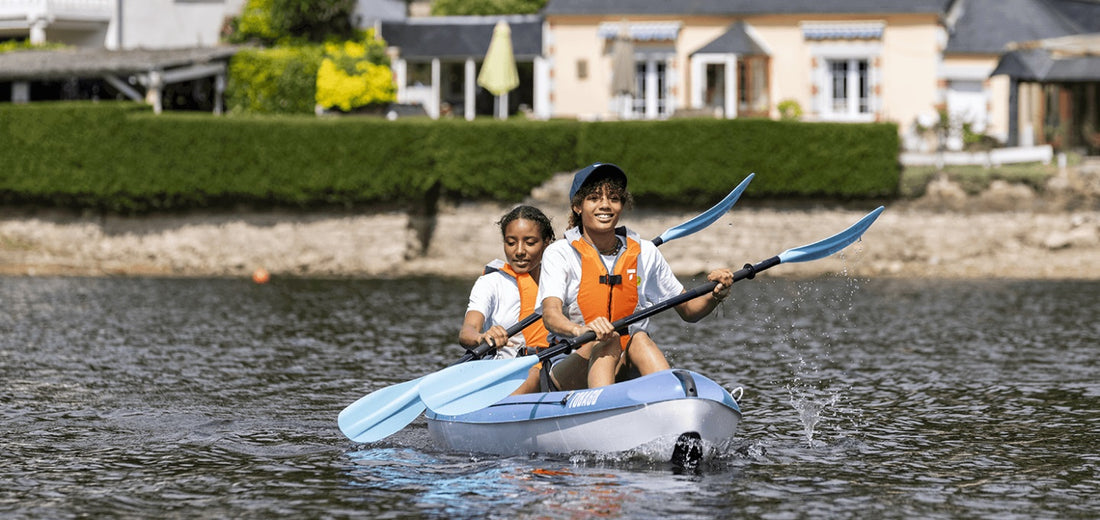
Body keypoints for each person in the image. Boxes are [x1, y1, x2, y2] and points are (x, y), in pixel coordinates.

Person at [537, 163, 734, 390]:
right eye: (593, 198)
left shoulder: (645, 252)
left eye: (613, 198)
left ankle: (672, 399)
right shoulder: (560, 253)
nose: (605, 205)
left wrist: (715, 293)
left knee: (638, 337)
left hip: (624, 361)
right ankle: (603, 409)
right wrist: (581, 331)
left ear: (622, 205)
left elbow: (689, 311)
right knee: (607, 340)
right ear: (577, 207)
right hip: (571, 365)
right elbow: (550, 315)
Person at [459, 205, 556, 394]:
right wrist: (481, 337)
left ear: (546, 243)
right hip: (510, 371)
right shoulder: (491, 283)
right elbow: (467, 331)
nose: (519, 251)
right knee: (532, 373)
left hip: (556, 366)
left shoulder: (561, 280)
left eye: (530, 243)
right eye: (511, 243)